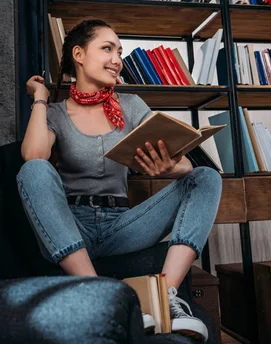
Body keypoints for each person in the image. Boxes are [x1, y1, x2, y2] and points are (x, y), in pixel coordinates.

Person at [17, 19, 222, 342]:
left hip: (121, 225)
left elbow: (182, 162)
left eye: (119, 51)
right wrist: (40, 98)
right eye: (107, 48)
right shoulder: (55, 112)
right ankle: (99, 295)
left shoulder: (130, 105)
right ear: (79, 54)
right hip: (72, 226)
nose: (117, 59)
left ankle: (165, 299)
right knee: (35, 171)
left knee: (206, 177)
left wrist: (169, 166)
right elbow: (33, 155)